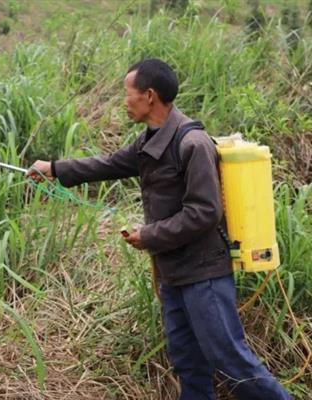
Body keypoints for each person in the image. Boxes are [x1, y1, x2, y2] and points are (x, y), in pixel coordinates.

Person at [26, 59, 291, 400]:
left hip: (204, 276)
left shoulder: (192, 144)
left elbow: (205, 212)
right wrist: (55, 169)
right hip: (174, 275)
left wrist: (149, 235)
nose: (124, 101)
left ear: (149, 96)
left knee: (231, 361)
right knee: (188, 363)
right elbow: (110, 164)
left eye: (128, 93)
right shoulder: (150, 139)